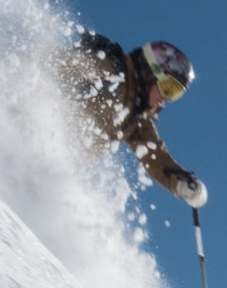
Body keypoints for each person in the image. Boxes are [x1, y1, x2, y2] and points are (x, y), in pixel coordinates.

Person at [58, 33, 206, 207]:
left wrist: (182, 182)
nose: (165, 99)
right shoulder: (111, 72)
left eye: (175, 94)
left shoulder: (137, 121)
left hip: (54, 167)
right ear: (152, 71)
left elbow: (155, 156)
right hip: (33, 130)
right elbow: (58, 62)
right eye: (168, 88)